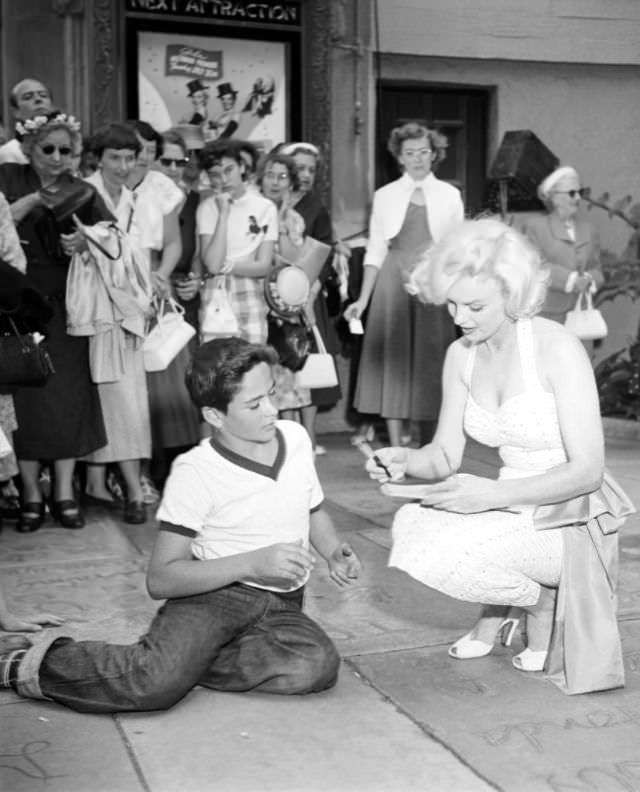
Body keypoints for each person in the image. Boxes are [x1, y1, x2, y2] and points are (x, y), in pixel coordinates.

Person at [0, 337, 362, 712]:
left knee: (314, 667)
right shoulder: (197, 472)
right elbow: (161, 579)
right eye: (254, 404)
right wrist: (252, 563)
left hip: (282, 604)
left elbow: (312, 508)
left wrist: (334, 550)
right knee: (150, 685)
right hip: (213, 596)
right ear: (215, 417)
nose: (272, 410)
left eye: (271, 394)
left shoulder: (297, 439)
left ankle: (182, 663)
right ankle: (27, 662)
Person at [366, 217, 633, 695]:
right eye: (450, 302)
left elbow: (588, 471)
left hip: (567, 516)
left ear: (512, 293)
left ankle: (537, 606)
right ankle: (530, 602)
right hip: (507, 504)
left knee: (461, 550)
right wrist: (405, 459)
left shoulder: (557, 348)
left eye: (475, 305)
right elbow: (445, 456)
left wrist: (491, 494)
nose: (460, 318)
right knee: (410, 529)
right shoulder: (460, 355)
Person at [0, 111, 107, 531]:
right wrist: (26, 206)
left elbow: (115, 240)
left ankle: (64, 491)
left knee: (68, 398)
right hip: (15, 306)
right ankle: (30, 493)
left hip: (68, 307)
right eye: (49, 149)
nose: (58, 157)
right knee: (24, 396)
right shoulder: (8, 178)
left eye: (66, 150)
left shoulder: (82, 190)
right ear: (29, 149)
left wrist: (87, 241)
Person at [345, 121, 464, 448]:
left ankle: (433, 448)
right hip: (392, 285)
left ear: (434, 154)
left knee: (432, 363)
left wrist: (458, 294)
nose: (418, 159)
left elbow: (456, 250)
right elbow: (375, 250)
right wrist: (363, 300)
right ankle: (397, 449)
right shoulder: (384, 196)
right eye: (410, 153)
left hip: (431, 284)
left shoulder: (450, 195)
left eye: (424, 152)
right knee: (393, 365)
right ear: (399, 157)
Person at [78, 122, 154, 524]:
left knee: (129, 398)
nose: (123, 166)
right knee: (101, 396)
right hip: (91, 310)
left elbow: (143, 255)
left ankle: (130, 485)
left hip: (129, 311)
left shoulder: (137, 200)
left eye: (130, 158)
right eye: (115, 158)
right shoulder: (82, 192)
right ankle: (103, 482)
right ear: (98, 159)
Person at [282, 142, 342, 455]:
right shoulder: (272, 202)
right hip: (276, 290)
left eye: (311, 169)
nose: (305, 175)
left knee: (305, 360)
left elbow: (325, 251)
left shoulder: (316, 207)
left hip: (307, 292)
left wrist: (311, 292)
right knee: (282, 363)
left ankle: (310, 436)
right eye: (299, 168)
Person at [198, 139, 278, 344]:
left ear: (241, 167)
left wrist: (230, 266)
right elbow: (213, 264)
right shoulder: (207, 208)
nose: (224, 179)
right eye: (215, 174)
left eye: (229, 170)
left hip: (251, 292)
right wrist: (223, 213)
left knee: (253, 363)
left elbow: (263, 266)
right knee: (216, 366)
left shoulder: (265, 207)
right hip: (215, 292)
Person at [259, 150, 313, 420]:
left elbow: (293, 261)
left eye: (282, 177)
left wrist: (278, 218)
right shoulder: (250, 211)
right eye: (270, 175)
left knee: (287, 384)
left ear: (290, 183)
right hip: (254, 303)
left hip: (283, 307)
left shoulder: (294, 220)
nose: (275, 182)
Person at [524, 165, 604, 324]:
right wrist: (570, 279)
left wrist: (589, 279)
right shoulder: (536, 227)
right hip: (548, 315)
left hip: (583, 315)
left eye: (580, 193)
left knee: (582, 350)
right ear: (553, 197)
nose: (578, 198)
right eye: (572, 193)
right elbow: (533, 267)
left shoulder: (589, 230)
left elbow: (597, 269)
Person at [0, 78, 52, 165]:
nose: (38, 99)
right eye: (28, 97)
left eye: (43, 95)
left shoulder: (66, 145)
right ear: (16, 112)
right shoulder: (10, 152)